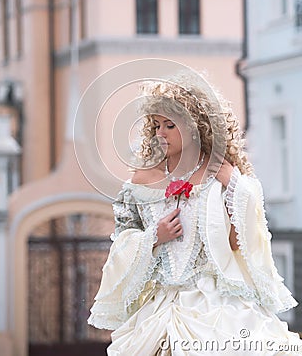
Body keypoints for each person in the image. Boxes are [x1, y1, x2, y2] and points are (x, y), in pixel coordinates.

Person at [88, 72, 302, 355]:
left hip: (219, 307)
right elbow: (123, 238)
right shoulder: (142, 179)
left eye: (169, 125)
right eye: (155, 125)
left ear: (194, 127)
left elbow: (237, 244)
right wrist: (155, 236)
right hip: (162, 306)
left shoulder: (220, 172)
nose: (160, 133)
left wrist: (236, 186)